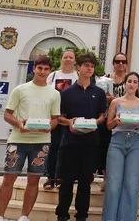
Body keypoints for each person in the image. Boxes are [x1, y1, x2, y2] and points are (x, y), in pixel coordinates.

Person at [0, 55, 59, 221]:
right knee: (9, 178)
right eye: (39, 68)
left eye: (46, 69)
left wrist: (50, 126)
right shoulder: (20, 89)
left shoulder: (54, 93)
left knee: (33, 181)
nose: (42, 72)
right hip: (17, 140)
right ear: (34, 69)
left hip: (41, 142)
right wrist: (18, 124)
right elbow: (7, 114)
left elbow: (56, 118)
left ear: (49, 71)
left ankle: (24, 216)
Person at [56, 53, 107, 221]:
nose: (89, 68)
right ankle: (62, 215)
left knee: (86, 182)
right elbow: (60, 117)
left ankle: (82, 215)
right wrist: (70, 121)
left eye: (92, 66)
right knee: (67, 181)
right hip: (70, 142)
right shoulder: (67, 92)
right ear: (79, 67)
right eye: (86, 65)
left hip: (91, 142)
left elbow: (102, 116)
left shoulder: (99, 93)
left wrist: (96, 121)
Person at [102, 72, 139, 221]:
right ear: (125, 83)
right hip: (117, 141)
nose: (132, 84)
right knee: (114, 183)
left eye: (135, 82)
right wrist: (116, 120)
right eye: (129, 81)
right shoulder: (116, 102)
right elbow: (108, 126)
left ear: (138, 85)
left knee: (132, 183)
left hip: (135, 141)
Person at [44, 49, 78, 190]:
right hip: (54, 116)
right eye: (66, 57)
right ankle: (50, 177)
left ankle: (63, 177)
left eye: (71, 57)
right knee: (53, 147)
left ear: (75, 61)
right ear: (61, 59)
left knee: (68, 149)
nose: (68, 59)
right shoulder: (53, 76)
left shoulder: (78, 75)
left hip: (71, 117)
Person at [96, 52, 130, 191]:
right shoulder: (105, 79)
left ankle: (120, 178)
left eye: (123, 61)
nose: (120, 64)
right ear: (113, 63)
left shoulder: (130, 80)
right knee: (105, 147)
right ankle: (105, 177)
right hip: (107, 117)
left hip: (124, 118)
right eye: (117, 61)